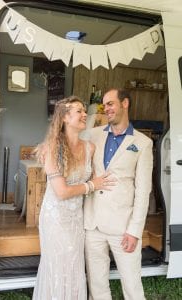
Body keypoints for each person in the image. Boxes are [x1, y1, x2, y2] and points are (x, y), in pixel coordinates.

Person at [32, 96, 114, 300]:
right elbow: (61, 192)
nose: (85, 114)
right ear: (65, 118)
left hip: (76, 218)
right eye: (79, 111)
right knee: (58, 266)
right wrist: (91, 185)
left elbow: (98, 177)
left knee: (75, 265)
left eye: (84, 110)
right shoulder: (52, 148)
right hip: (55, 218)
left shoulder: (90, 148)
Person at [84, 88, 153, 300]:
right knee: (97, 284)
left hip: (123, 227)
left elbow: (143, 192)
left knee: (132, 285)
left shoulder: (143, 143)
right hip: (93, 224)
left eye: (111, 104)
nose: (107, 109)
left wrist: (134, 230)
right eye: (105, 105)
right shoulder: (93, 135)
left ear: (125, 104)